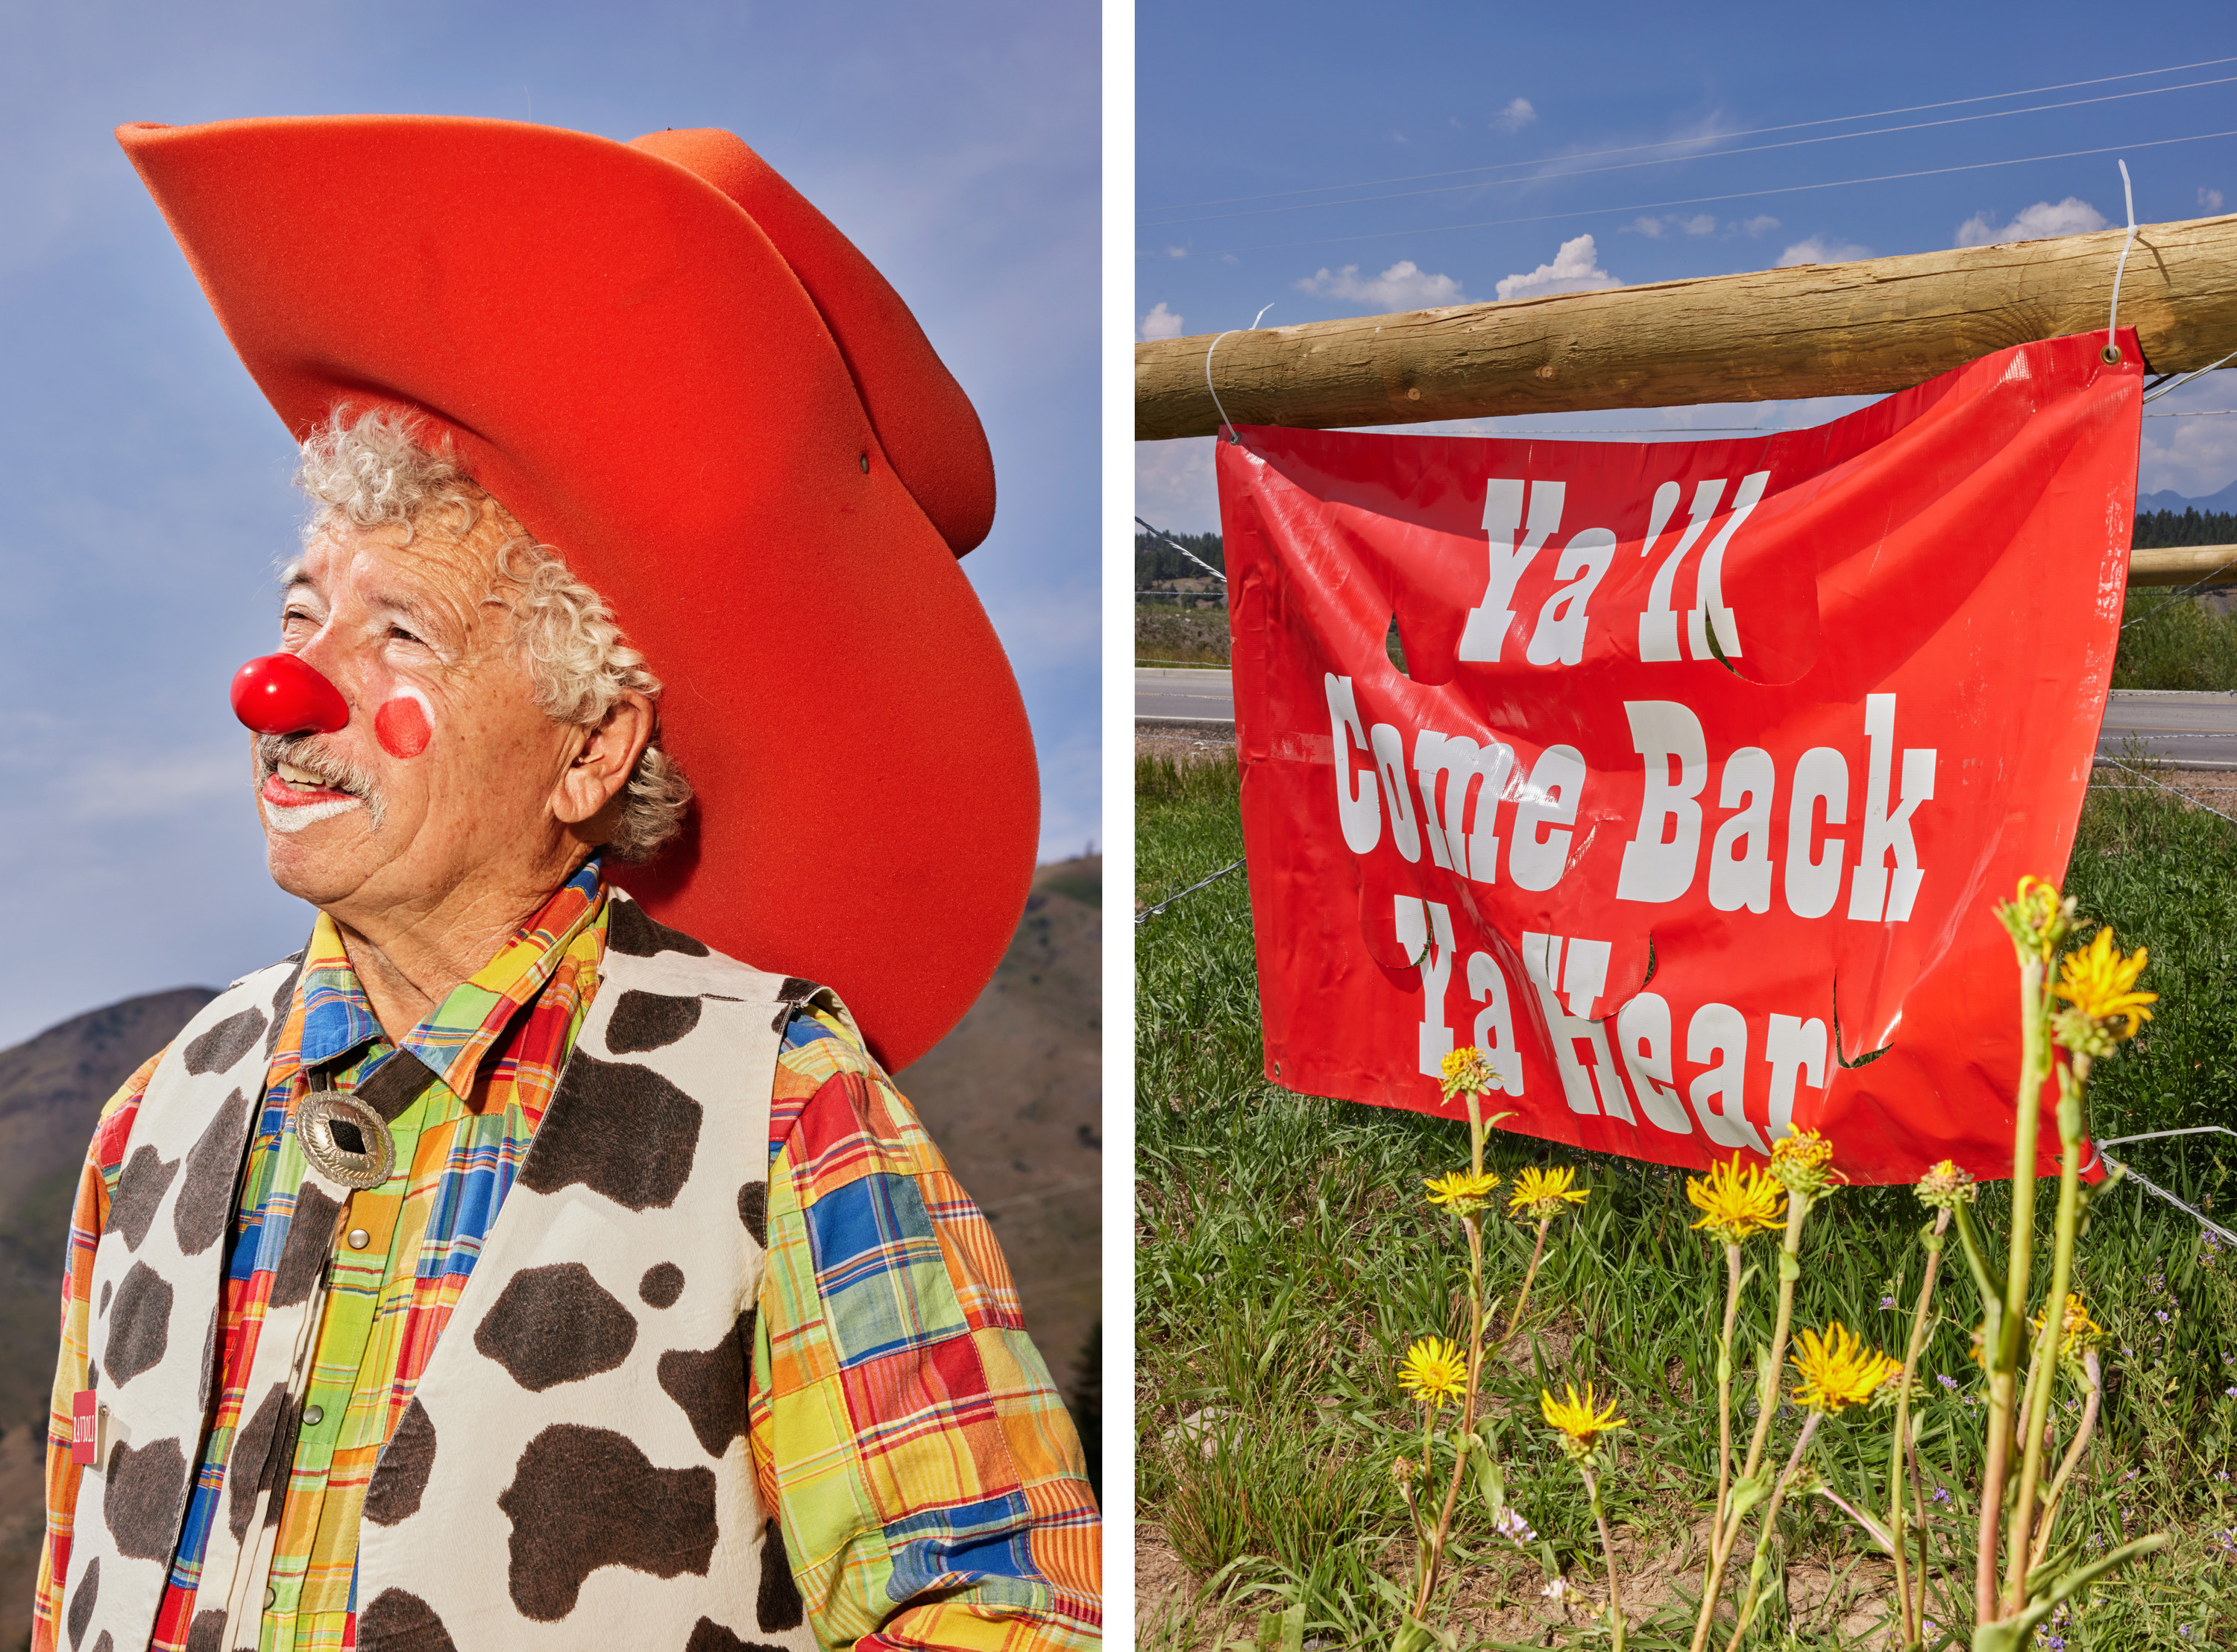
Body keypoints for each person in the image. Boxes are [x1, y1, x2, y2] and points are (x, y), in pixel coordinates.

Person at [32, 116, 1098, 1652]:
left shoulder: (782, 1103)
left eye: (398, 633)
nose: (276, 685)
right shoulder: (151, 1125)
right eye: (299, 606)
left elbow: (1002, 1607)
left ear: (591, 747)